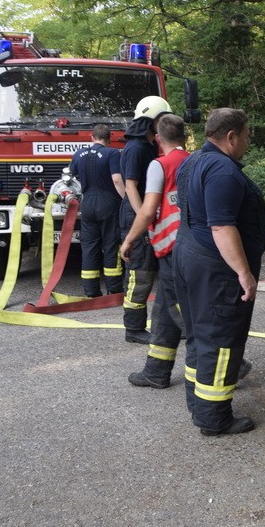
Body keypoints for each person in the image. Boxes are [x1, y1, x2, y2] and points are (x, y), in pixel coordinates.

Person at [173, 108, 265, 436]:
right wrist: (244, 272)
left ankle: (197, 402)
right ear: (231, 137)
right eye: (245, 135)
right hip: (217, 269)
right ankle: (214, 417)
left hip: (189, 257)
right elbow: (222, 226)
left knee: (200, 334)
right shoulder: (222, 171)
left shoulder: (191, 161)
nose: (247, 141)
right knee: (222, 338)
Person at [122, 113, 191, 389]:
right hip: (190, 245)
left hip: (169, 246)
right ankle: (156, 371)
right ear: (184, 137)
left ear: (158, 139)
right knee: (164, 309)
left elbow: (149, 209)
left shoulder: (159, 165)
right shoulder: (194, 161)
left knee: (183, 311)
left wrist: (129, 239)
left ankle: (233, 363)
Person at [119, 95, 169, 344]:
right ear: (151, 121)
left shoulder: (149, 146)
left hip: (145, 216)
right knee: (140, 275)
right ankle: (134, 328)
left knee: (152, 272)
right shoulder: (137, 148)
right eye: (162, 119)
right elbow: (130, 187)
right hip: (136, 217)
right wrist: (143, 219)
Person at [68, 124, 124, 297]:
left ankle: (91, 291)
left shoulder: (79, 154)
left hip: (88, 205)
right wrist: (126, 199)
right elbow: (116, 179)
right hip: (109, 204)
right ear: (109, 138)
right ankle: (114, 289)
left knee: (89, 246)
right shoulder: (112, 153)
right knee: (111, 245)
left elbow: (72, 174)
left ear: (92, 137)